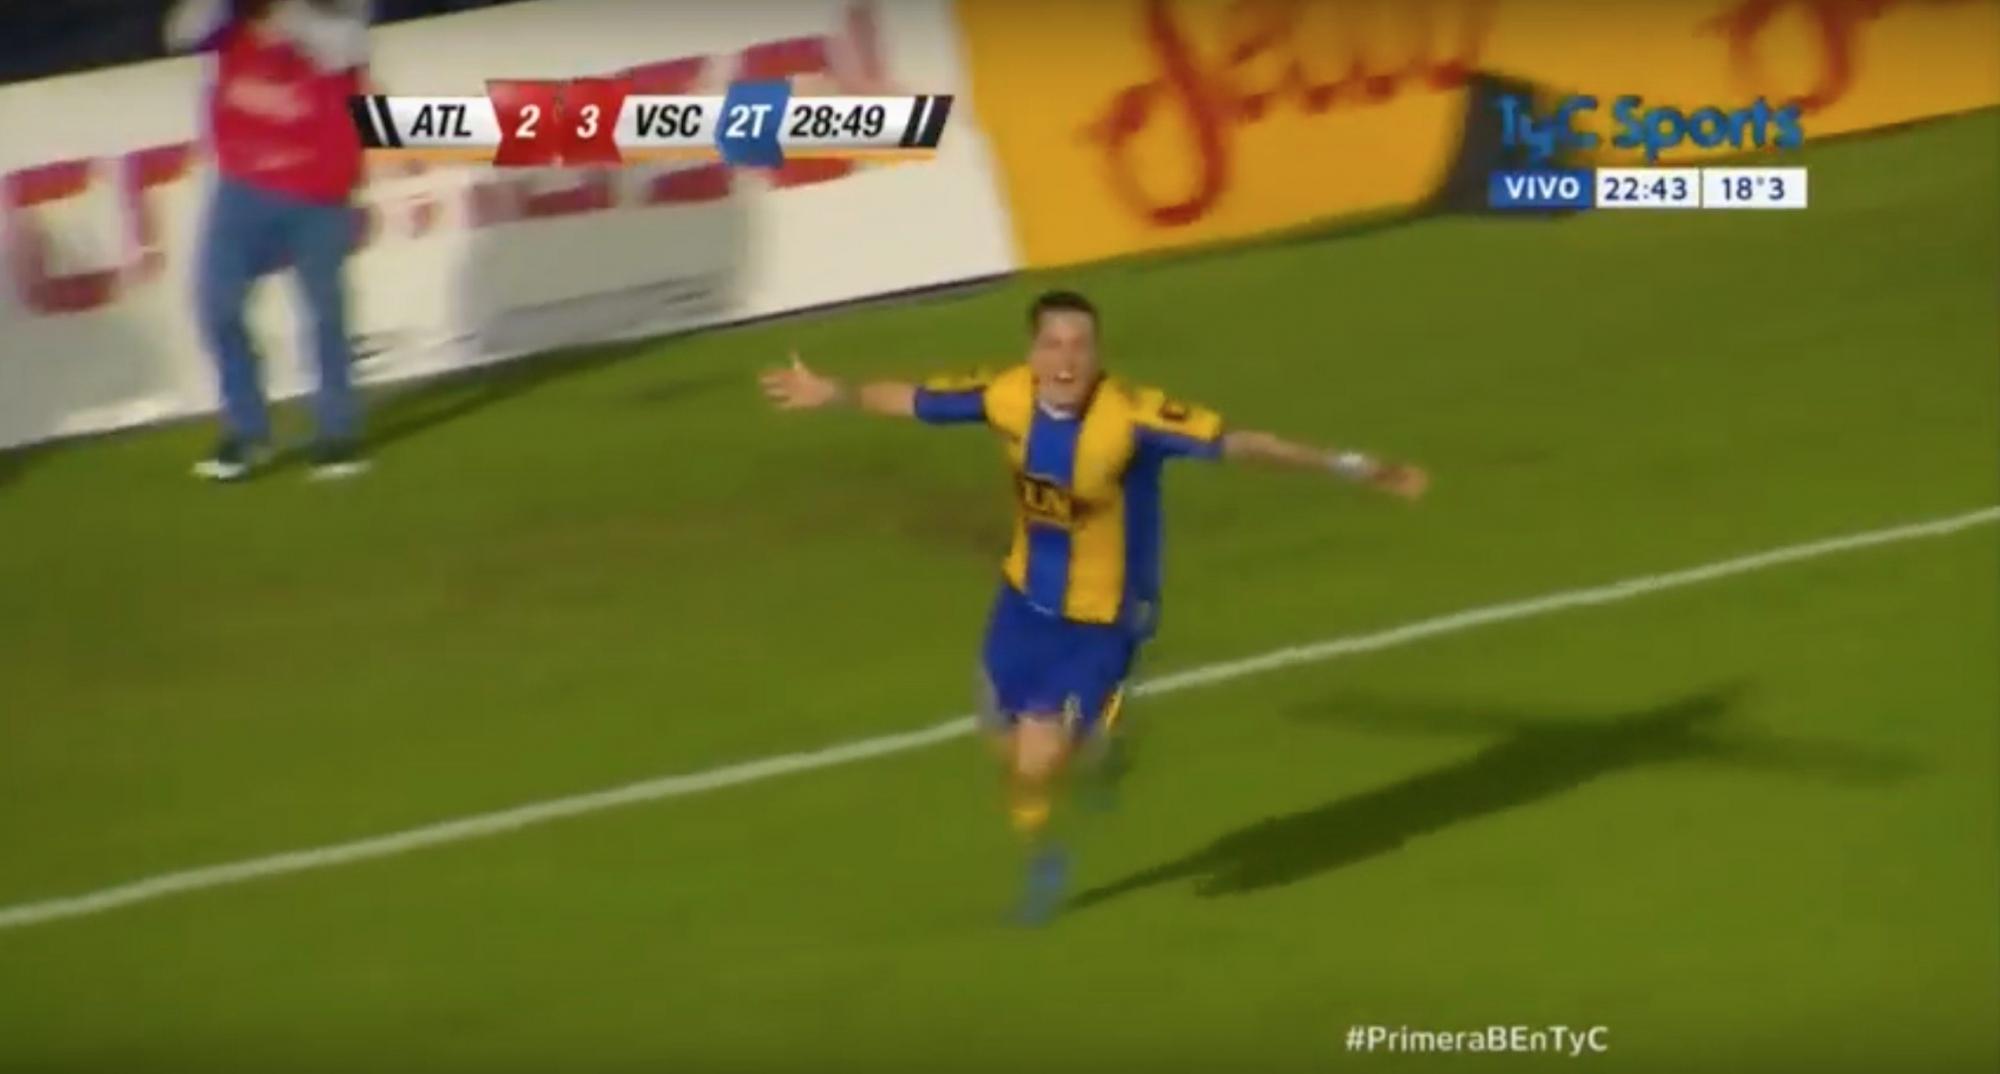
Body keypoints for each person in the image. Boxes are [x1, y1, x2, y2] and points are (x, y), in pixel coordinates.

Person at [759, 290, 1430, 923]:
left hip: (1104, 617)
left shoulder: (1134, 417)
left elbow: (1243, 443)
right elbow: (913, 399)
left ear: (1098, 353)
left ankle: (1076, 786)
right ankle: (1078, 772)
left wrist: (1351, 465)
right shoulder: (1004, 395)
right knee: (1010, 753)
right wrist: (832, 392)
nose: (1067, 360)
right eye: (1053, 344)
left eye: (1080, 345)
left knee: (1041, 757)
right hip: (1023, 601)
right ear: (1032, 352)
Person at [167, 0, 374, 480]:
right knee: (216, 307)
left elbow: (345, 48)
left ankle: (337, 434)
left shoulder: (335, 20)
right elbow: (180, 32)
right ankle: (248, 432)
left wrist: (285, 14)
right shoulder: (229, 26)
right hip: (243, 191)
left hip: (318, 190)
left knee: (325, 317)